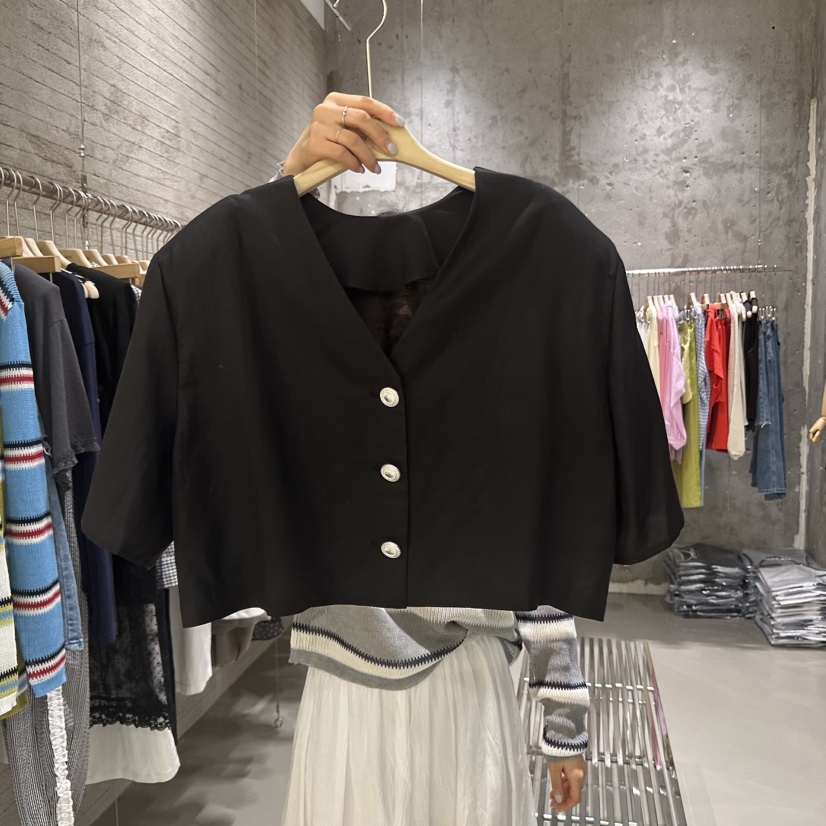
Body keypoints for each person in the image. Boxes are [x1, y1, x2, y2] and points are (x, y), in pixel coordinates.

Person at [277, 93, 589, 826]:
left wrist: (564, 720)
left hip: (455, 690)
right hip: (355, 686)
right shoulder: (300, 361)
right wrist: (285, 184)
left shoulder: (494, 370)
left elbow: (538, 543)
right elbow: (242, 284)